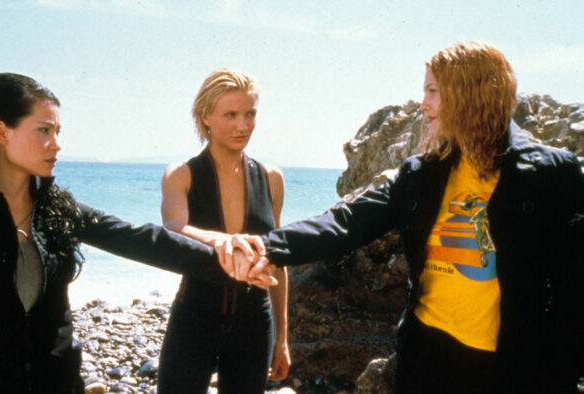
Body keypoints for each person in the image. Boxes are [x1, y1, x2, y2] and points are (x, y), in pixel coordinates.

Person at [229, 42, 584, 393]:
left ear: (469, 94)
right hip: (429, 356)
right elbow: (346, 221)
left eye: (433, 91)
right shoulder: (421, 173)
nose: (424, 105)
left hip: (512, 366)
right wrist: (264, 246)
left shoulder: (549, 172)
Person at [0, 73, 276, 394]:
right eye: (44, 130)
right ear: (0, 131)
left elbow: (142, 240)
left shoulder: (57, 207)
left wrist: (230, 260)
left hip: (60, 384)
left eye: (58, 131)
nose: (57, 144)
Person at [156, 69, 290, 393]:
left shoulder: (271, 178)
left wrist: (283, 337)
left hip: (254, 323)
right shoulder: (181, 175)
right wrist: (227, 242)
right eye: (230, 114)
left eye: (250, 114)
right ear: (206, 117)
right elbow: (175, 228)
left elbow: (279, 261)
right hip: (194, 318)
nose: (242, 126)